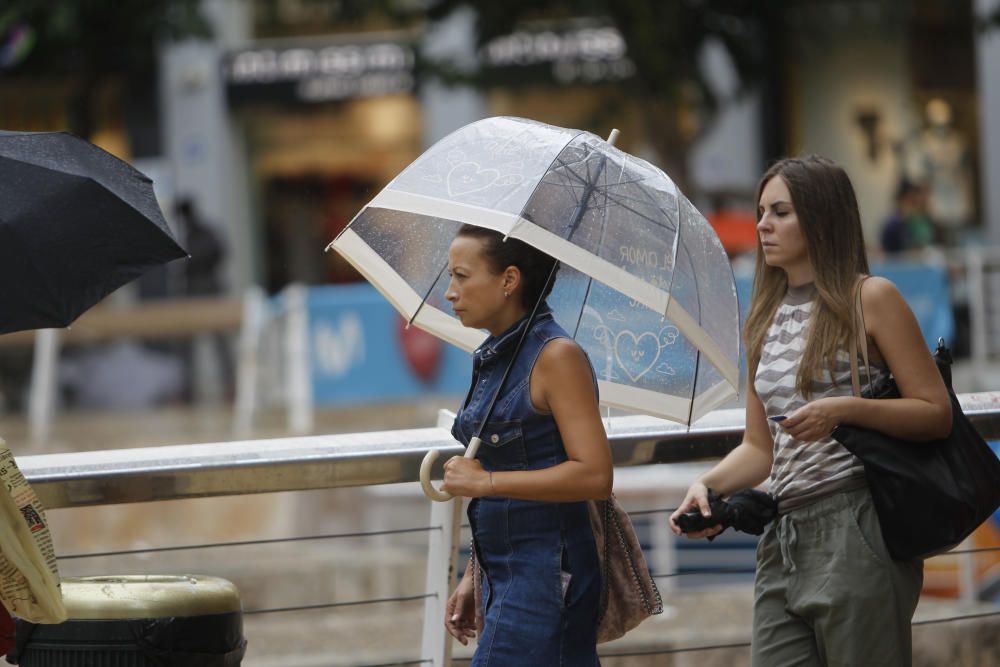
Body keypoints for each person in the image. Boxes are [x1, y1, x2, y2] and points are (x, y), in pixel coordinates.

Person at [669, 156, 951, 665]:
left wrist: (844, 410)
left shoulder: (871, 298)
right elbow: (760, 448)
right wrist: (708, 487)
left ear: (821, 217)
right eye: (760, 212)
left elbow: (935, 412)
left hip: (857, 525)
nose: (762, 225)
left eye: (780, 212)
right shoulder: (763, 317)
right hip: (784, 536)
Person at [439, 224, 613, 665]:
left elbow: (594, 474)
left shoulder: (556, 357)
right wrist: (474, 576)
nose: (449, 292)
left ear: (509, 280)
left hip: (548, 578)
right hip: (508, 576)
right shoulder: (498, 355)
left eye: (461, 276)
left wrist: (486, 482)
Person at [880, 179, 936, 254]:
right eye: (911, 202)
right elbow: (886, 253)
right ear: (900, 201)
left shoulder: (911, 222)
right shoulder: (893, 224)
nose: (914, 207)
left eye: (915, 203)